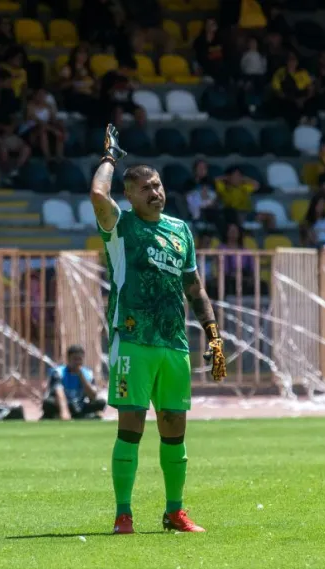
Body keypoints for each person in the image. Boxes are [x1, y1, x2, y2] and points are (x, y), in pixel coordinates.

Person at [89, 124, 226, 535]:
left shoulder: (180, 230)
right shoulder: (120, 227)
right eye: (145, 187)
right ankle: (123, 514)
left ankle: (174, 511)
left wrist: (213, 332)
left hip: (173, 343)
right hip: (133, 339)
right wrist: (111, 158)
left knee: (174, 428)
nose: (155, 192)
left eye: (158, 185)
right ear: (129, 195)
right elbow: (98, 195)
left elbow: (194, 286)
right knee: (131, 426)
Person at [41, 345, 106, 420]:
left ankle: (79, 416)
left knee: (101, 402)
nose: (77, 362)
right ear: (68, 359)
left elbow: (93, 396)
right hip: (62, 404)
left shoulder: (88, 373)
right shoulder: (59, 372)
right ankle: (69, 416)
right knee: (48, 403)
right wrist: (64, 411)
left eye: (80, 359)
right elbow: (59, 392)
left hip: (79, 405)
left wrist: (81, 376)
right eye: (75, 359)